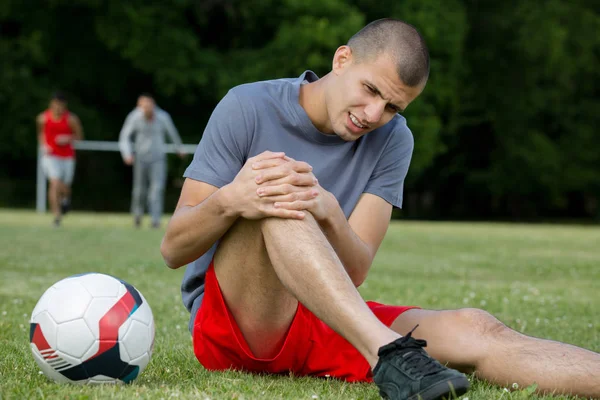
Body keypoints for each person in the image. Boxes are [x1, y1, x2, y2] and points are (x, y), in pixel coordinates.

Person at [160, 18, 600, 400]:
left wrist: (330, 210)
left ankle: (388, 351)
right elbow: (173, 249)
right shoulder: (247, 106)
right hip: (235, 328)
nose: (373, 114)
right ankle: (388, 354)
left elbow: (353, 271)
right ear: (342, 59)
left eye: (393, 106)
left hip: (327, 315)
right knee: (282, 192)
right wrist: (233, 200)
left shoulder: (394, 139)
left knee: (477, 328)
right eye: (370, 90)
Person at [118, 94, 185, 228]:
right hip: (140, 157)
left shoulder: (163, 117)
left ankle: (155, 219)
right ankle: (137, 216)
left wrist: (178, 148)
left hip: (158, 158)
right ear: (139, 107)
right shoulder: (134, 117)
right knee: (139, 189)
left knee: (157, 188)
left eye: (149, 106)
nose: (146, 109)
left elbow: (172, 132)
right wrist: (127, 154)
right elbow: (124, 137)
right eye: (143, 107)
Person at [37, 91, 84, 227]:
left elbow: (79, 137)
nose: (58, 108)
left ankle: (65, 200)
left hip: (67, 157)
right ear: (51, 104)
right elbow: (41, 134)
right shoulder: (42, 118)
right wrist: (44, 146)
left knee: (65, 187)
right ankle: (57, 216)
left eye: (61, 105)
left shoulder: (71, 119)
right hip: (51, 157)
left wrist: (68, 138)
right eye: (56, 105)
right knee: (55, 183)